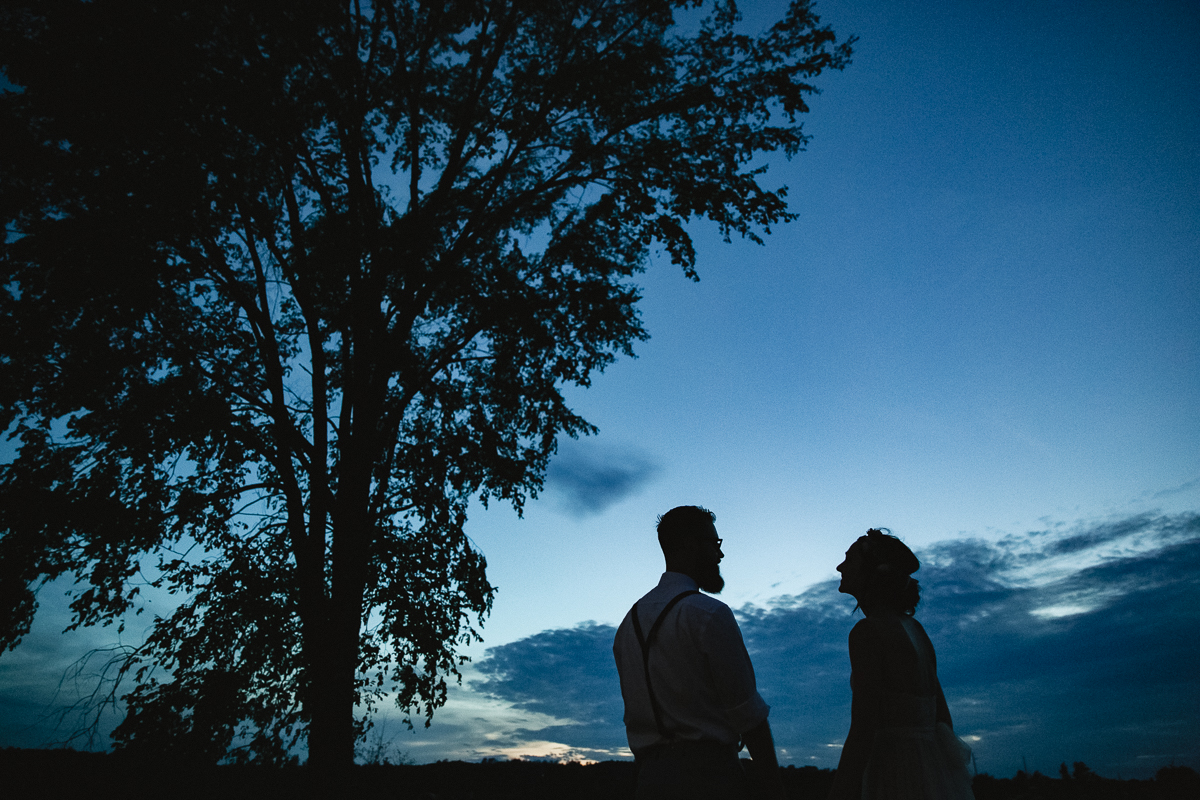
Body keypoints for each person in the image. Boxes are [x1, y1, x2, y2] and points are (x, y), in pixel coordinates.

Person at [613, 505, 786, 800]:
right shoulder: (709, 615)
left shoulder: (626, 626)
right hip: (711, 780)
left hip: (647, 782)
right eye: (715, 544)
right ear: (690, 545)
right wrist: (774, 788)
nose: (720, 555)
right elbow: (748, 715)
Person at [828, 528, 975, 800]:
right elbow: (942, 718)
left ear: (872, 572)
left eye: (848, 559)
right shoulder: (916, 630)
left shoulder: (867, 633)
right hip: (932, 769)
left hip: (895, 773)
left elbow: (863, 728)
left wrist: (840, 792)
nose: (839, 566)